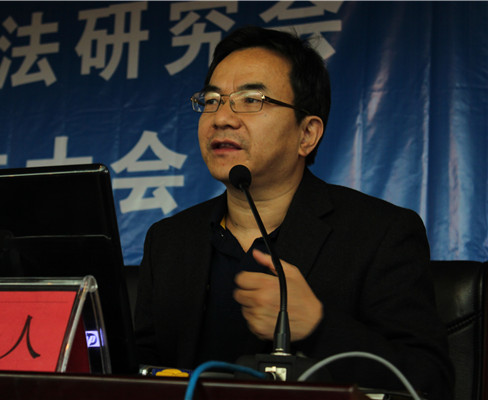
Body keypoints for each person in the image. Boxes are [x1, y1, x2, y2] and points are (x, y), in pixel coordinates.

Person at [134, 26, 453, 399]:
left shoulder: (379, 233)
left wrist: (318, 326)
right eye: (212, 100)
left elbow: (429, 383)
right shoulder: (170, 239)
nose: (221, 118)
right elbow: (136, 369)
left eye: (251, 99)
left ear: (307, 134)